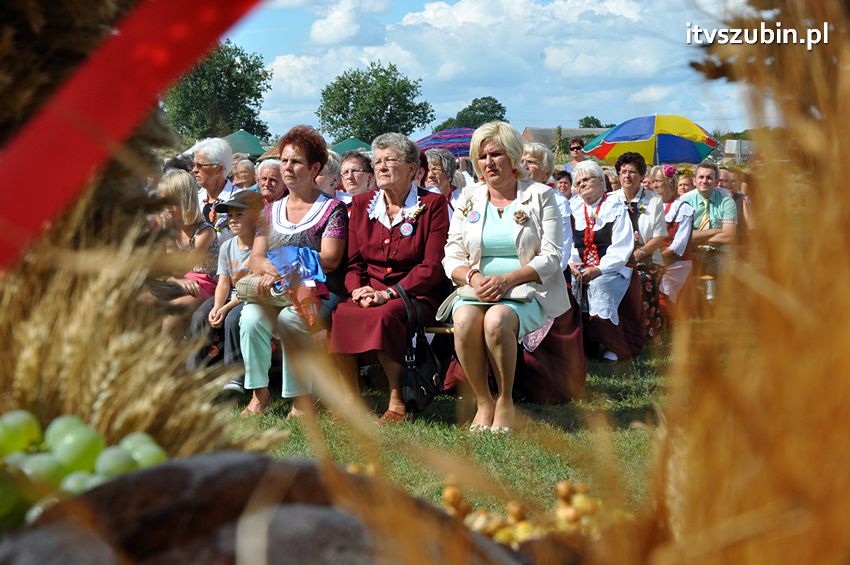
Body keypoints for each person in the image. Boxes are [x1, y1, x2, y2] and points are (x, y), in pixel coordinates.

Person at [444, 122, 570, 432]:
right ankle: (483, 401)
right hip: (476, 289)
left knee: (497, 320)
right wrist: (473, 278)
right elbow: (451, 254)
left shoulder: (541, 196)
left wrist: (508, 280)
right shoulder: (468, 197)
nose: (488, 163)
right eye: (482, 156)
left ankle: (504, 401)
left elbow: (552, 256)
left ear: (513, 157)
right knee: (463, 322)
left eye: (496, 154)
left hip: (525, 291)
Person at [329, 133, 450, 424]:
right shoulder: (361, 204)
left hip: (417, 294)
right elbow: (354, 262)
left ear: (412, 168)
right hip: (370, 291)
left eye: (390, 160)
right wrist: (358, 291)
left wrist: (389, 293)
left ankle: (398, 400)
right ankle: (350, 398)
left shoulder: (433, 204)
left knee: (384, 316)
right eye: (377, 161)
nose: (381, 167)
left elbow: (432, 266)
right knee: (342, 313)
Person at [240, 126, 348, 417]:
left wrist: (281, 269)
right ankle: (259, 395)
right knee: (250, 317)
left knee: (292, 318)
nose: (287, 167)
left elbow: (329, 259)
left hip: (320, 291)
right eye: (285, 161)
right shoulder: (271, 210)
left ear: (314, 168)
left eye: (296, 161)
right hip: (278, 292)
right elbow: (256, 258)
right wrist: (275, 271)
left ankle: (301, 399)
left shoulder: (332, 209)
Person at [187, 190, 264, 392]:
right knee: (200, 316)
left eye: (239, 215)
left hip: (251, 297)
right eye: (230, 216)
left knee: (232, 320)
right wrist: (217, 306)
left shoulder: (261, 246)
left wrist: (226, 308)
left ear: (256, 216)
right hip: (229, 295)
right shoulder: (227, 246)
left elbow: (253, 284)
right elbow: (223, 282)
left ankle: (234, 376)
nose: (232, 220)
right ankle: (195, 372)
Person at [567, 161, 634, 361]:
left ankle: (611, 345)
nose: (582, 184)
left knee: (599, 286)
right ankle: (581, 344)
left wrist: (599, 269)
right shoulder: (573, 207)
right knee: (567, 289)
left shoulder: (615, 206)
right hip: (579, 268)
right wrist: (573, 264)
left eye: (587, 179)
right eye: (578, 182)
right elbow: (568, 241)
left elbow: (622, 246)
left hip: (613, 269)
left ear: (600, 181)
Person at [155, 169, 220, 336]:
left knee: (171, 316)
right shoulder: (170, 225)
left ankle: (168, 359)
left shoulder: (204, 232)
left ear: (187, 200)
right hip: (181, 281)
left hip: (205, 284)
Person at [612, 152, 666, 342]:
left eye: (632, 172)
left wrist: (637, 255)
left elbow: (658, 237)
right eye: (623, 171)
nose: (626, 176)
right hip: (615, 259)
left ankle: (650, 333)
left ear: (642, 176)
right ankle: (615, 334)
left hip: (646, 258)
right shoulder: (610, 200)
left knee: (642, 280)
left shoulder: (654, 201)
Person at [649, 165, 694, 319]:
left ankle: (667, 326)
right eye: (652, 181)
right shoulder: (649, 206)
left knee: (663, 290)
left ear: (670, 183)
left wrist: (656, 260)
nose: (654, 185)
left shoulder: (683, 208)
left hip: (675, 261)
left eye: (658, 181)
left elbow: (679, 246)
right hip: (651, 258)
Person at [680, 163, 736, 283]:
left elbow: (729, 236)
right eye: (701, 177)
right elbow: (680, 235)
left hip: (719, 252)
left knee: (725, 274)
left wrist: (695, 237)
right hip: (692, 252)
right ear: (694, 181)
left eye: (709, 178)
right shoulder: (684, 201)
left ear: (716, 182)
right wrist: (715, 231)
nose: (704, 181)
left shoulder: (727, 202)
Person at [192, 138, 242, 243]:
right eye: (194, 165)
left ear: (219, 169)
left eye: (200, 165)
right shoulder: (195, 198)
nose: (194, 170)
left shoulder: (241, 199)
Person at [424, 148, 462, 216]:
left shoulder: (461, 199)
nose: (430, 175)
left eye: (435, 170)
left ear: (448, 174)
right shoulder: (417, 201)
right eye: (427, 170)